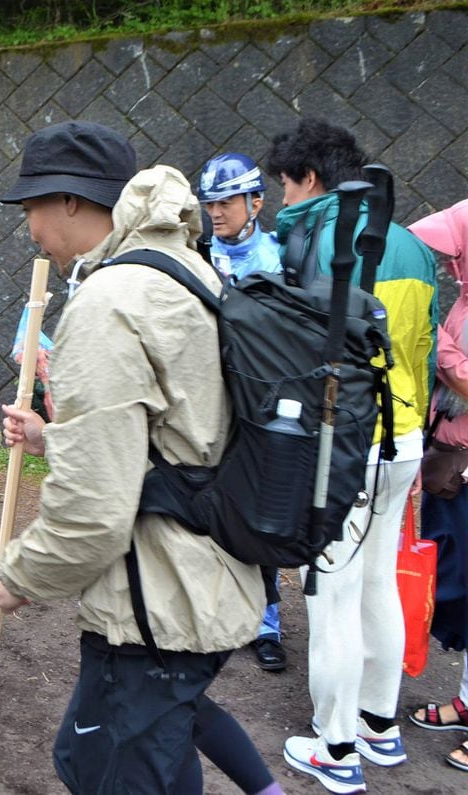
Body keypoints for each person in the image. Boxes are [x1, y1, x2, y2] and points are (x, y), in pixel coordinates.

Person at [0, 120, 271, 793]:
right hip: (208, 574)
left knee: (112, 770)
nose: (30, 230)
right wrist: (52, 437)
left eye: (32, 209)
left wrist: (20, 572)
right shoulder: (187, 268)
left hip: (160, 600)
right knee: (151, 763)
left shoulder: (108, 302)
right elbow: (173, 438)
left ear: (72, 202)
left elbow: (95, 507)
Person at [267, 118, 438, 793]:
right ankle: (377, 724)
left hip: (344, 445)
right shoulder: (411, 243)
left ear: (309, 176)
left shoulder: (312, 236)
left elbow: (293, 348)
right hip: (405, 441)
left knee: (330, 592)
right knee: (376, 582)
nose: (282, 202)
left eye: (284, 185)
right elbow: (418, 348)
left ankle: (335, 748)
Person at [197, 152, 288, 673]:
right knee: (211, 510)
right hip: (212, 406)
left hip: (268, 407)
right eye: (210, 203)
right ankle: (215, 616)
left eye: (226, 201)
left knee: (266, 518)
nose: (216, 211)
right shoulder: (197, 257)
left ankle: (268, 623)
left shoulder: (281, 257)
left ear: (257, 201)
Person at [406, 198, 468, 775]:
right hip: (453, 461)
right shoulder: (465, 301)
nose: (450, 264)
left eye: (457, 253)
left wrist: (439, 346)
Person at [197, 152, 282, 281]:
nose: (214, 213)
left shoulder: (280, 258)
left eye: (224, 203)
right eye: (209, 204)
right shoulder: (193, 252)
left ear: (254, 206)